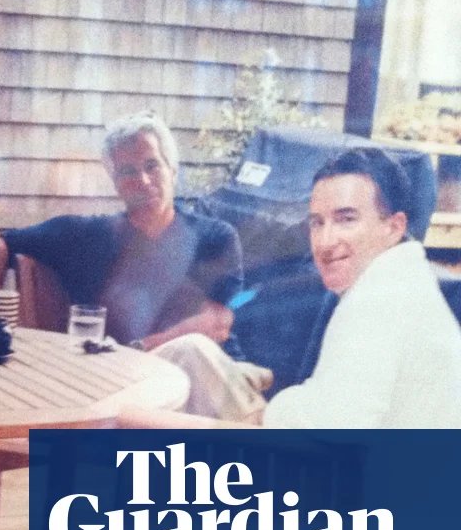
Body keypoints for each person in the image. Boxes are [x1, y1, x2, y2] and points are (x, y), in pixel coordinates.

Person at [160, 147, 461, 428]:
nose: (325, 242)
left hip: (354, 465)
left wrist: (269, 412)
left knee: (154, 409)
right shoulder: (400, 281)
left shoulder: (379, 300)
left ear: (393, 227)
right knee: (191, 350)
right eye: (317, 223)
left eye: (346, 219)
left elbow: (337, 425)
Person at [0, 112, 244, 352]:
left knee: (193, 349)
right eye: (128, 172)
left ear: (172, 171)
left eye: (152, 165)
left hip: (208, 370)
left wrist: (138, 350)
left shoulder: (215, 237)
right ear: (116, 183)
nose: (143, 180)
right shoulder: (85, 236)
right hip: (118, 378)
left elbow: (215, 324)